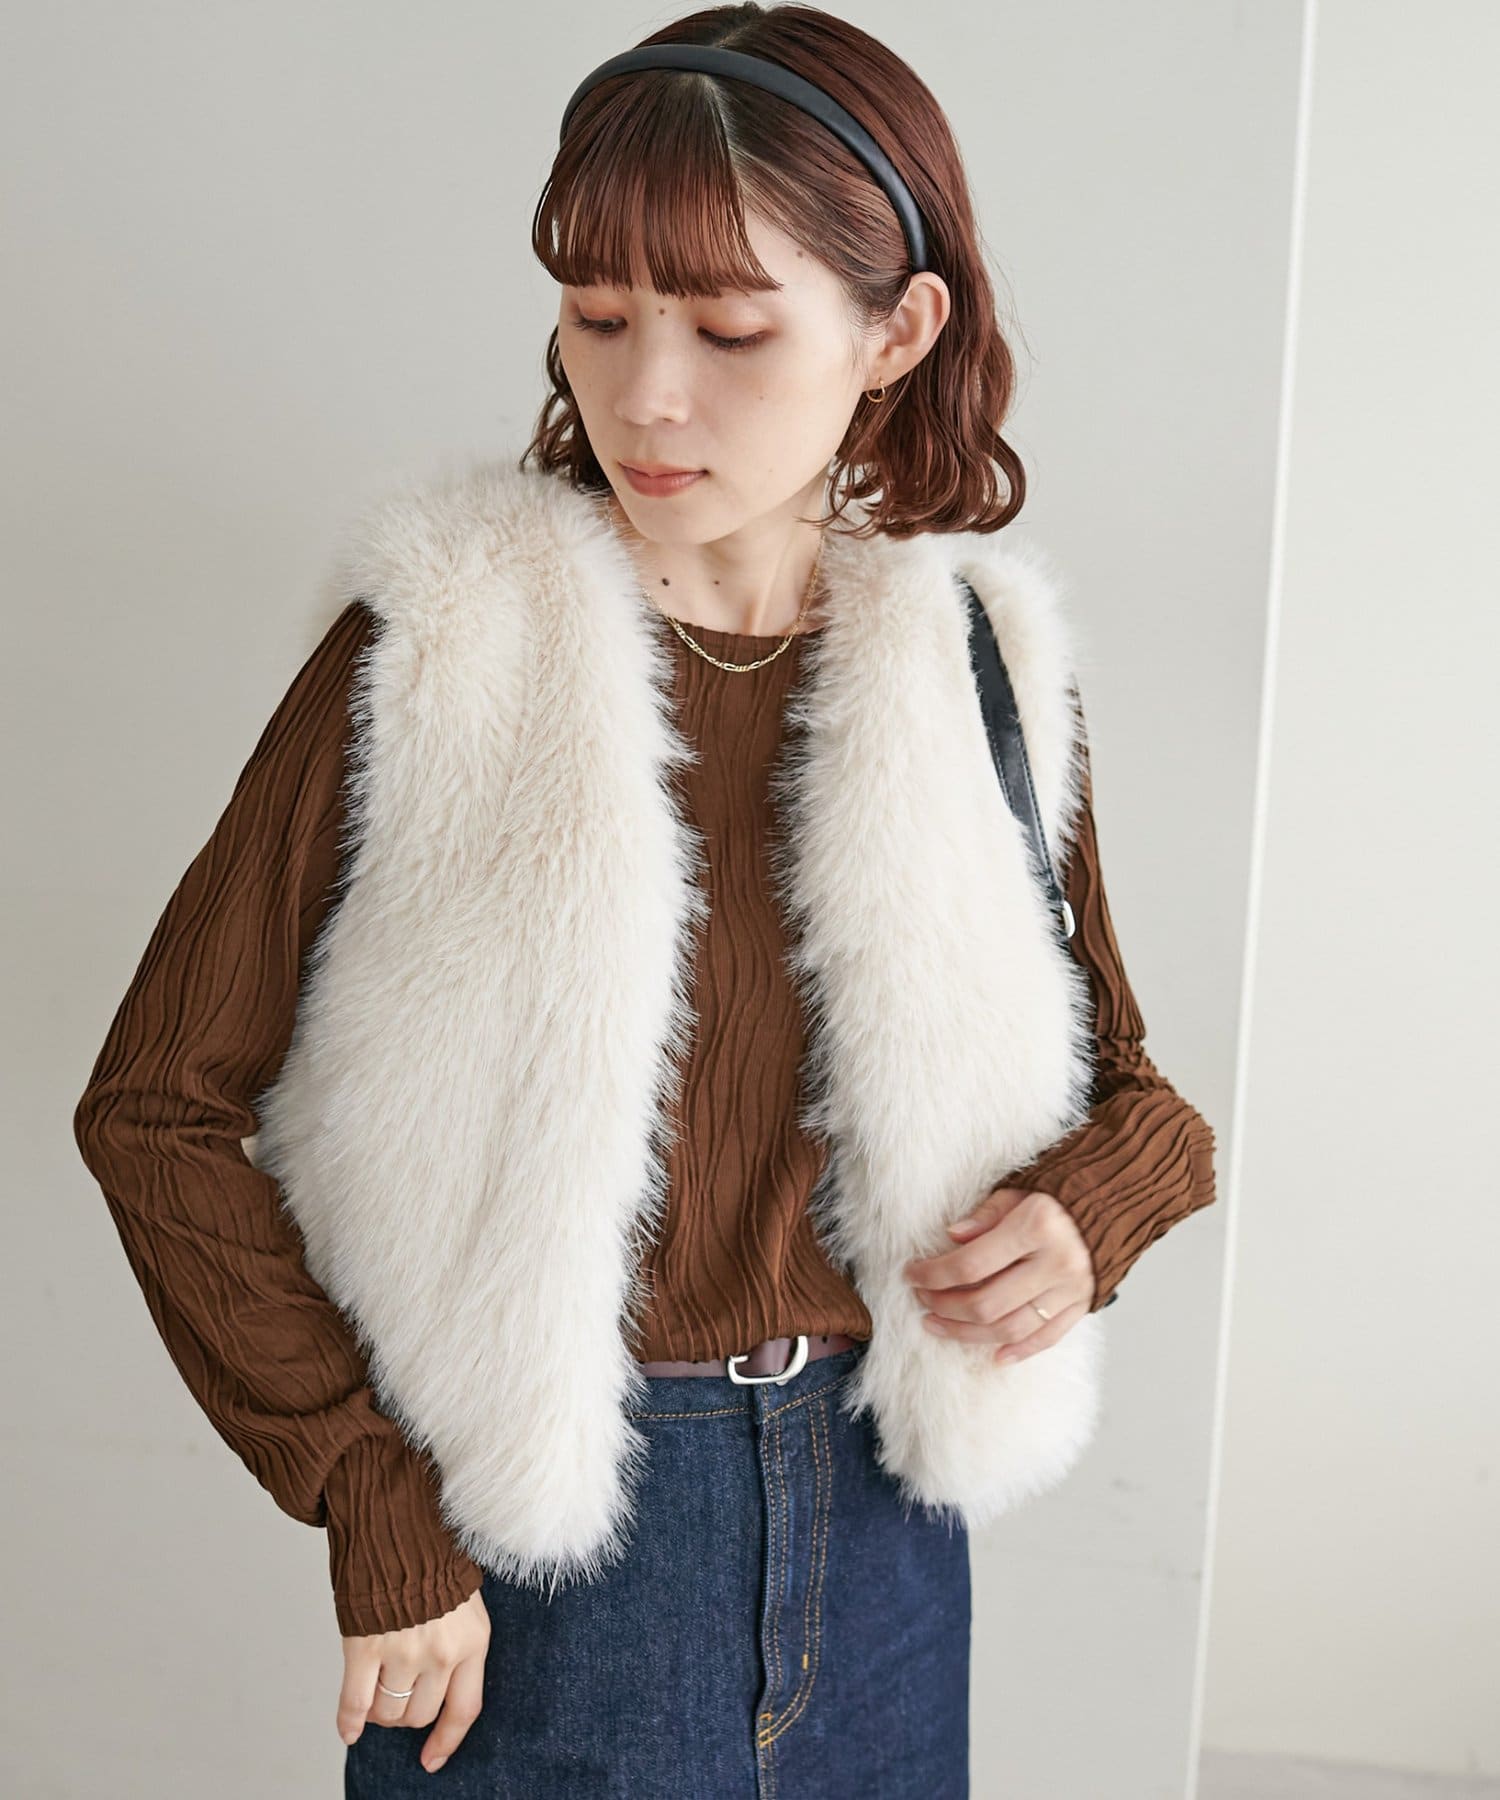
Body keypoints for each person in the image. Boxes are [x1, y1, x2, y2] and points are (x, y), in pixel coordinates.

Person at [72, 7, 1218, 1795]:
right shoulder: (442, 638)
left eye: (731, 329)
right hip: (545, 1564)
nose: (646, 394)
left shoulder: (976, 662)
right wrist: (370, 1496)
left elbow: (1134, 1089)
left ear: (898, 331)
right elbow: (154, 1107)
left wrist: (1099, 1209)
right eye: (598, 316)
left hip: (890, 1541)